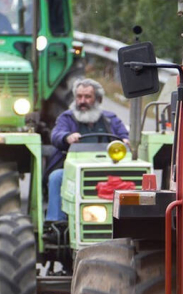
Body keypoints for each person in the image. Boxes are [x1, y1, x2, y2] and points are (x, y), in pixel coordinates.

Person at [45, 79, 129, 222]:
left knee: (130, 181)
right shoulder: (66, 118)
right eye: (79, 97)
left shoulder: (110, 119)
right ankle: (55, 222)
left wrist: (125, 141)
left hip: (108, 170)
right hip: (73, 171)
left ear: (98, 99)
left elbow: (124, 137)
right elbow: (56, 135)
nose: (82, 101)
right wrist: (67, 137)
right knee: (56, 177)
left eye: (87, 97)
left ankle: (125, 219)